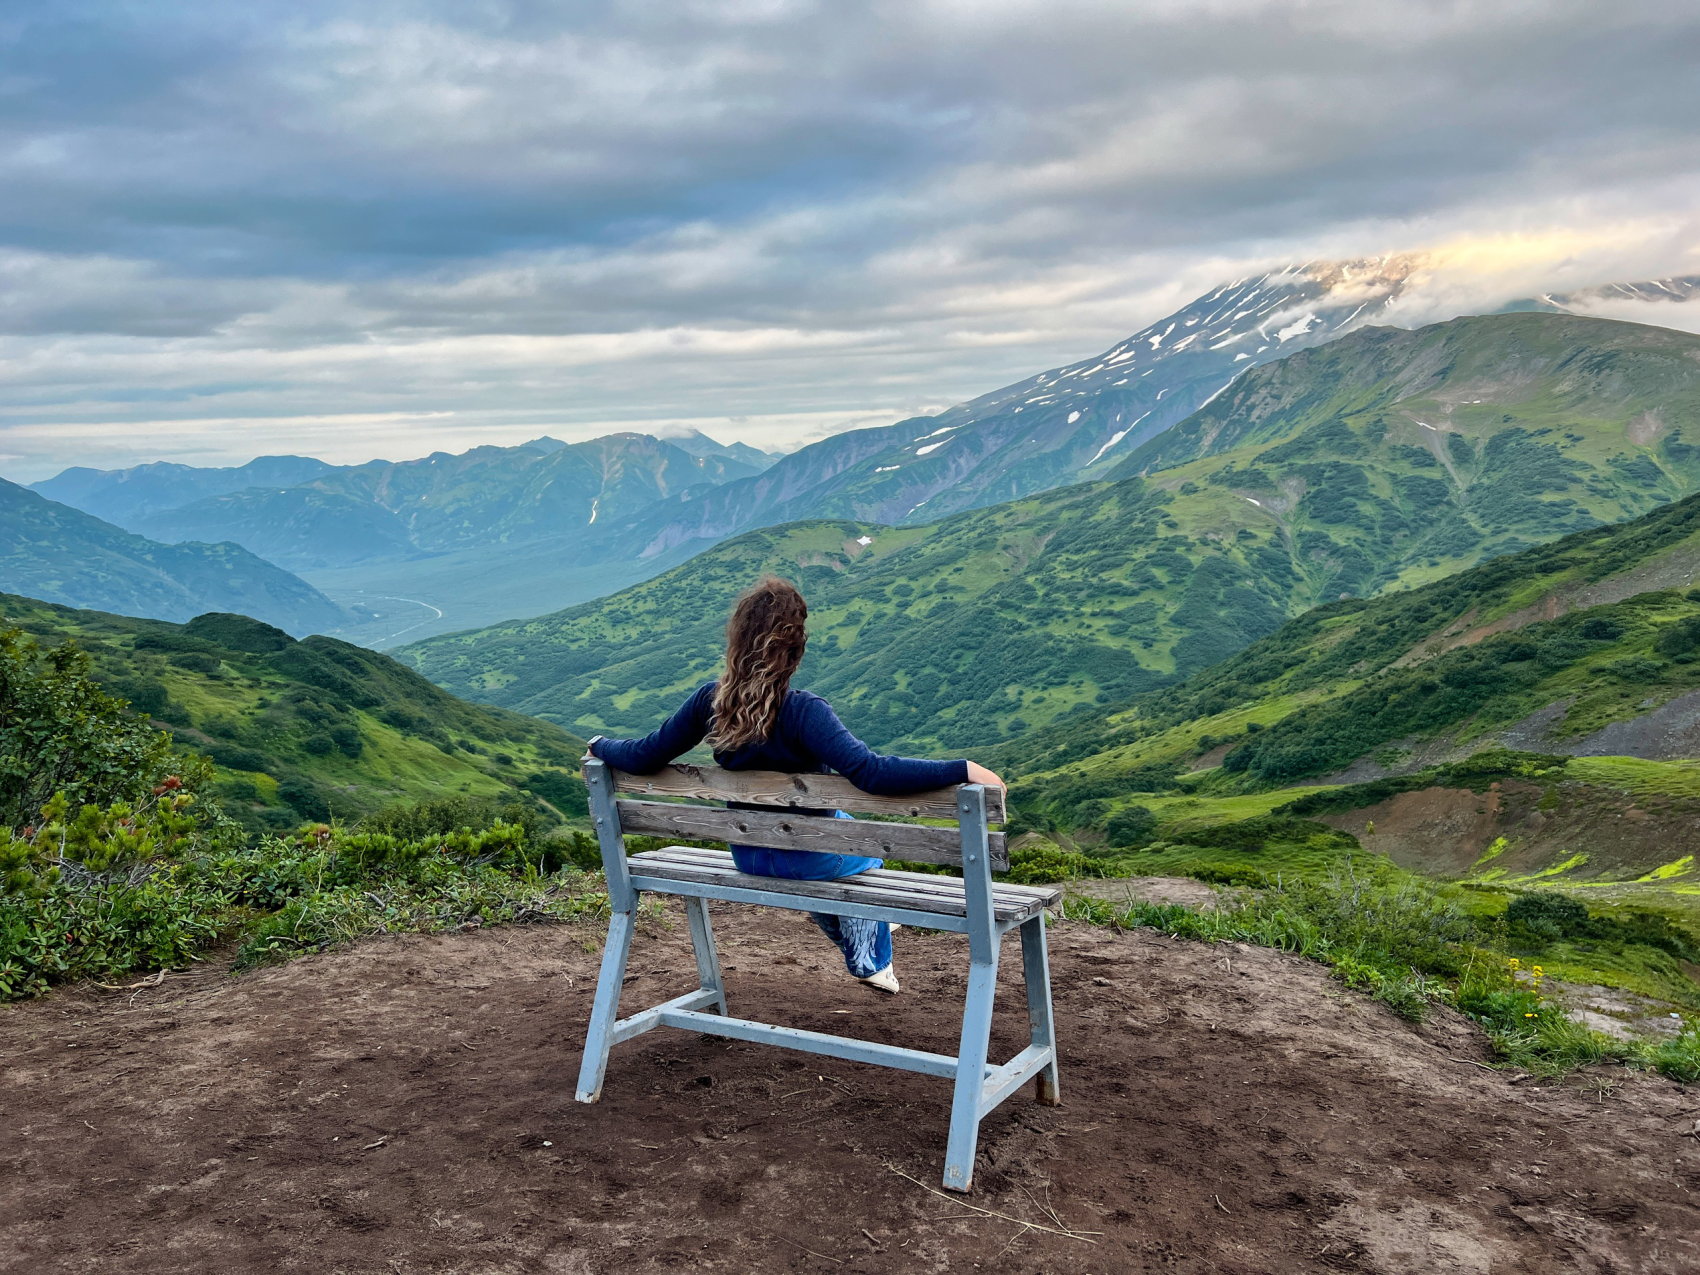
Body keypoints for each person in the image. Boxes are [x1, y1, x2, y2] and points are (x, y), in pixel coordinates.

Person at [585, 575, 1004, 994]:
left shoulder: (707, 704)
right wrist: (963, 767)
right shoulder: (805, 712)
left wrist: (600, 744)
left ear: (737, 642)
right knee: (869, 848)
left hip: (747, 854)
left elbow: (643, 756)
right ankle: (868, 953)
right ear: (795, 649)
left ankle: (869, 931)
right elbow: (873, 772)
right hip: (808, 860)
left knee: (845, 826)